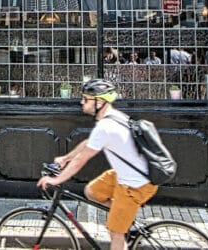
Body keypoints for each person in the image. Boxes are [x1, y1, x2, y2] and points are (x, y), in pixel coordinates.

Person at [37, 79, 157, 250]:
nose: (81, 102)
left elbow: (81, 160)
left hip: (135, 184)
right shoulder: (113, 117)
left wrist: (56, 180)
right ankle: (126, 221)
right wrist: (65, 159)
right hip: (127, 175)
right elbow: (89, 143)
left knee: (115, 231)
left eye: (86, 99)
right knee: (91, 191)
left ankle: (122, 225)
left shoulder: (106, 126)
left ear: (99, 102)